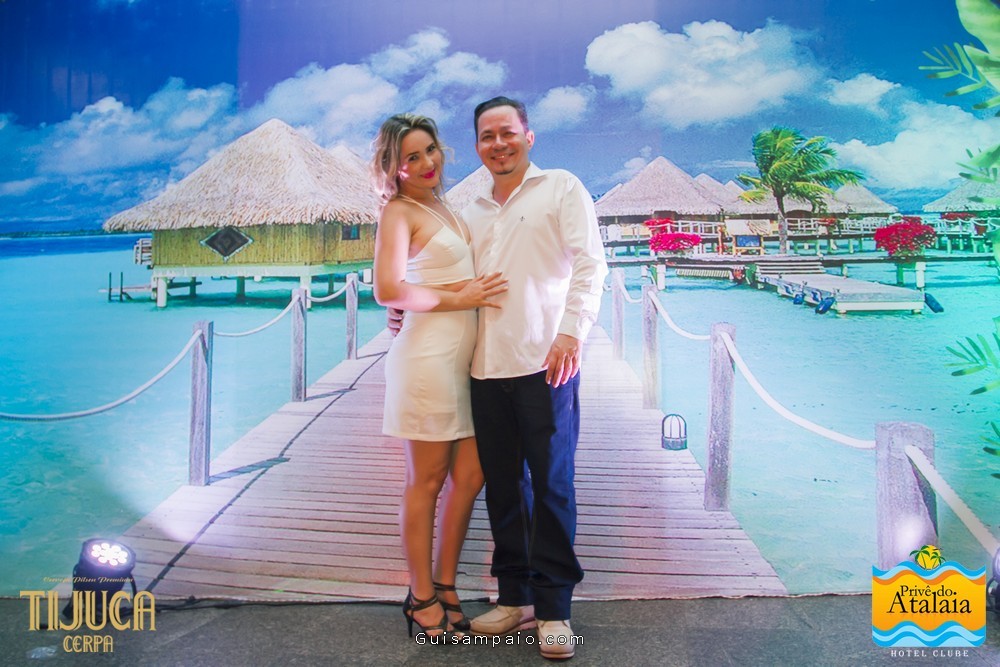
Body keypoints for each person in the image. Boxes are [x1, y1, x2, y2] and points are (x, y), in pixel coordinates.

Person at [369, 113, 508, 639]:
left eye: (430, 149)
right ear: (394, 167)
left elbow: (424, 281)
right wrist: (460, 297)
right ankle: (421, 596)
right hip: (427, 361)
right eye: (412, 157)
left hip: (467, 363)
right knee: (425, 482)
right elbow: (387, 289)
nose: (427, 162)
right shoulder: (398, 212)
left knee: (470, 477)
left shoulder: (444, 205)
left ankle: (447, 584)